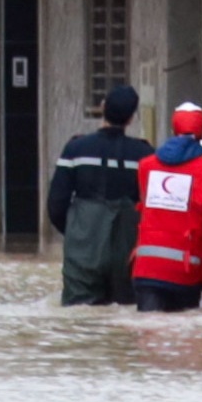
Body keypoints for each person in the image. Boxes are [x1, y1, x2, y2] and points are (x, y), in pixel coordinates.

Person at [47, 84, 155, 306]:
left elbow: (56, 204)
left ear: (102, 107)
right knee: (125, 315)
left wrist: (77, 234)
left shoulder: (76, 149)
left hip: (84, 249)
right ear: (132, 118)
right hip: (128, 251)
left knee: (80, 316)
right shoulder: (145, 155)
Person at [133, 102, 202, 312]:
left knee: (149, 337)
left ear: (173, 129)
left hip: (146, 268)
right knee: (185, 338)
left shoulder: (146, 166)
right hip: (186, 271)